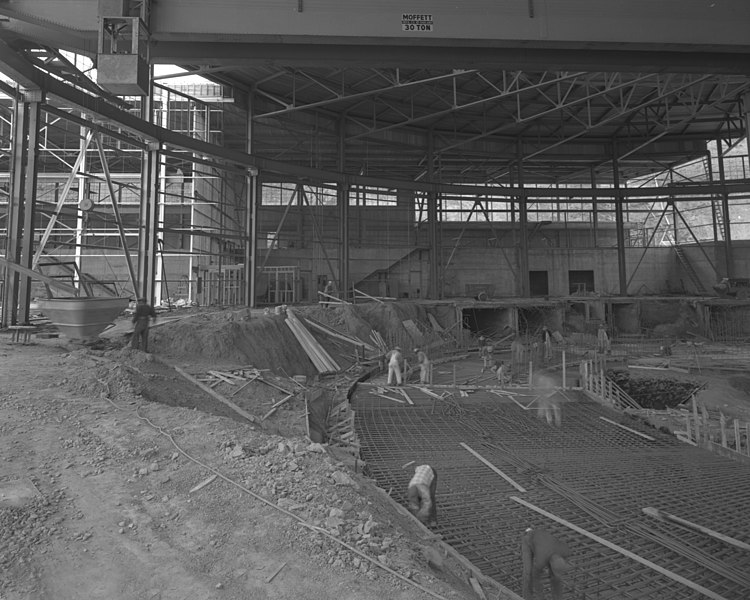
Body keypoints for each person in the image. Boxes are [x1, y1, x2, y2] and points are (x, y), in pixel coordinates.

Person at [521, 527, 572, 600]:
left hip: (543, 541)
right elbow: (536, 579)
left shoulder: (564, 550)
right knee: (528, 572)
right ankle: (527, 597)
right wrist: (541, 597)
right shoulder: (541, 559)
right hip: (528, 538)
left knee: (556, 578)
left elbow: (558, 577)